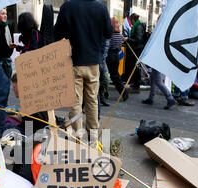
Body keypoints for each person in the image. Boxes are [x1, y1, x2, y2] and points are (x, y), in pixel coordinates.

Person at [54, 0, 112, 142]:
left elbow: (57, 33)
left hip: (74, 61)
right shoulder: (101, 8)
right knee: (92, 99)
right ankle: (93, 138)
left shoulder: (68, 6)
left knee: (75, 102)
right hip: (94, 62)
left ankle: (77, 135)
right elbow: (109, 33)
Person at [106, 17, 128, 102]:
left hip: (110, 55)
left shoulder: (110, 36)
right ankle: (123, 92)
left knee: (107, 75)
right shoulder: (119, 35)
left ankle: (105, 93)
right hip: (116, 56)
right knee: (115, 75)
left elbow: (107, 46)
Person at [126, 13, 145, 93]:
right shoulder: (136, 26)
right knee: (135, 66)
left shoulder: (138, 27)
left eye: (131, 21)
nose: (131, 23)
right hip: (136, 49)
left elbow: (138, 40)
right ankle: (135, 83)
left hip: (137, 50)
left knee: (136, 67)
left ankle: (137, 84)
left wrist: (128, 39)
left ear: (133, 20)